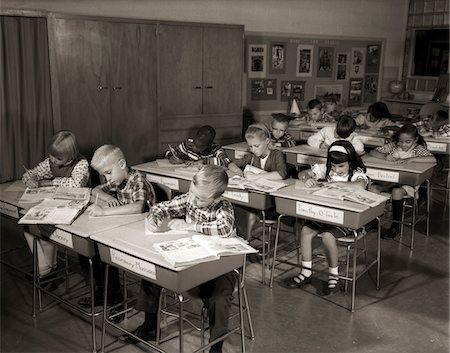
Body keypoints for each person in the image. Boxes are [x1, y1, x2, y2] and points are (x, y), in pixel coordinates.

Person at [132, 165, 237, 353]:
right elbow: (161, 207)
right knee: (153, 269)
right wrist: (153, 217)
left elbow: (225, 229)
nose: (194, 201)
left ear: (217, 198)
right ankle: (149, 326)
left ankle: (216, 346)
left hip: (218, 266)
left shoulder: (223, 206)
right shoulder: (190, 199)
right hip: (190, 260)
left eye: (201, 199)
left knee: (219, 298)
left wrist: (192, 226)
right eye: (192, 193)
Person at [284, 141, 369, 294]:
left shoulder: (356, 172)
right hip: (325, 215)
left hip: (346, 219)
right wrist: (306, 179)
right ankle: (306, 271)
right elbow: (303, 173)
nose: (336, 169)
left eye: (341, 166)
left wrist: (337, 185)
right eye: (333, 165)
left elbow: (360, 186)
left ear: (350, 161)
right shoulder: (327, 169)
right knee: (305, 230)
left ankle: (333, 276)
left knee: (328, 237)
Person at [78, 145, 156, 308]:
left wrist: (103, 213)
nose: (107, 179)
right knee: (91, 250)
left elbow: (138, 207)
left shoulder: (137, 180)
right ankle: (103, 293)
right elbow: (95, 191)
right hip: (123, 228)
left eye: (108, 173)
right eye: (103, 175)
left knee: (105, 254)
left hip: (141, 236)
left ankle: (115, 299)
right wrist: (107, 199)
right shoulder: (116, 180)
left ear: (121, 164)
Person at [22, 130, 89, 278]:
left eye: (57, 158)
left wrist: (50, 182)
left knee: (41, 226)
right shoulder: (51, 161)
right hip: (57, 204)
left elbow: (76, 184)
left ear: (70, 157)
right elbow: (34, 172)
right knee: (28, 224)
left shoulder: (81, 163)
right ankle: (46, 266)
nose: (52, 160)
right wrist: (29, 178)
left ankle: (46, 268)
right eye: (51, 155)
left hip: (77, 207)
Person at [369, 124, 436, 239]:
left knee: (396, 192)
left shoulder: (417, 149)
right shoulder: (394, 146)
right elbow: (373, 152)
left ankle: (396, 226)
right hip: (389, 180)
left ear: (415, 140)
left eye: (407, 142)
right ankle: (373, 222)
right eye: (401, 141)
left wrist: (412, 159)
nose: (403, 145)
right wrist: (385, 157)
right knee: (373, 189)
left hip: (407, 184)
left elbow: (432, 159)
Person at [165, 125, 242, 176]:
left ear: (208, 146)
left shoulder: (215, 149)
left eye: (199, 147)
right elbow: (170, 151)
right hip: (186, 175)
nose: (195, 147)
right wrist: (171, 157)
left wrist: (204, 161)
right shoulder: (188, 144)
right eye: (195, 142)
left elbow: (226, 161)